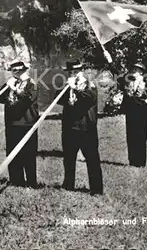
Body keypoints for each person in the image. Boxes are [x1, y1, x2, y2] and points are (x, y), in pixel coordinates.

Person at [57, 58, 103, 196]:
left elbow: (89, 98)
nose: (73, 74)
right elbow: (58, 99)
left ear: (82, 71)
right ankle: (68, 185)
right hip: (70, 127)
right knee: (69, 158)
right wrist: (66, 88)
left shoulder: (90, 84)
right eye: (71, 72)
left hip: (86, 128)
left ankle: (96, 189)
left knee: (92, 158)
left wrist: (75, 88)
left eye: (76, 71)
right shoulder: (68, 85)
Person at [0, 61, 39, 188]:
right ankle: (16, 181)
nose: (16, 73)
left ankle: (31, 182)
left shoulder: (32, 83)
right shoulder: (10, 83)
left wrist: (14, 89)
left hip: (27, 123)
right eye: (13, 71)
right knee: (12, 153)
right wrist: (8, 87)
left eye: (18, 71)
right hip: (11, 123)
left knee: (28, 153)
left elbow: (28, 98)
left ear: (24, 71)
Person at [118, 62, 147, 167]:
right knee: (130, 136)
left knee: (141, 137)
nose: (134, 71)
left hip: (142, 112)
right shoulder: (127, 80)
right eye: (133, 69)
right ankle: (132, 161)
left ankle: (140, 162)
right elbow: (116, 72)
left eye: (137, 70)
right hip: (130, 112)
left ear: (141, 72)